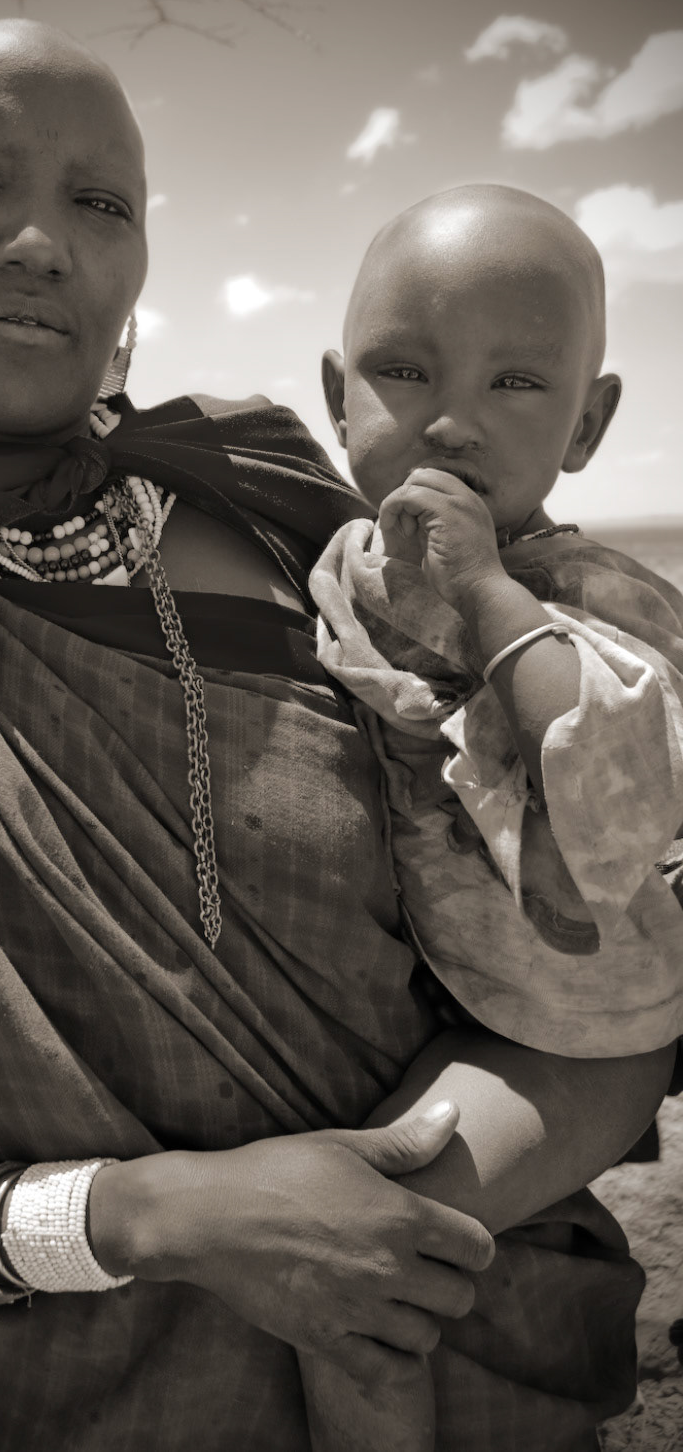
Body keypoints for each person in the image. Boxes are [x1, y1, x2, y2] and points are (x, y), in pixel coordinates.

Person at [0, 29, 666, 1452]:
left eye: (100, 202)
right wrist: (152, 1217)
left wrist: (398, 1216)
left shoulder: (317, 538)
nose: (37, 242)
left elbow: (602, 974)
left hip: (466, 1345)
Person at [304, 183, 681, 1444]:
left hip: (580, 1032)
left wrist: (485, 594)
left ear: (588, 423)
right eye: (404, 370)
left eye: (516, 383)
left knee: (368, 1242)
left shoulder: (592, 594)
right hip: (449, 994)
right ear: (335, 395)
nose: (451, 420)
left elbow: (617, 786)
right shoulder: (341, 564)